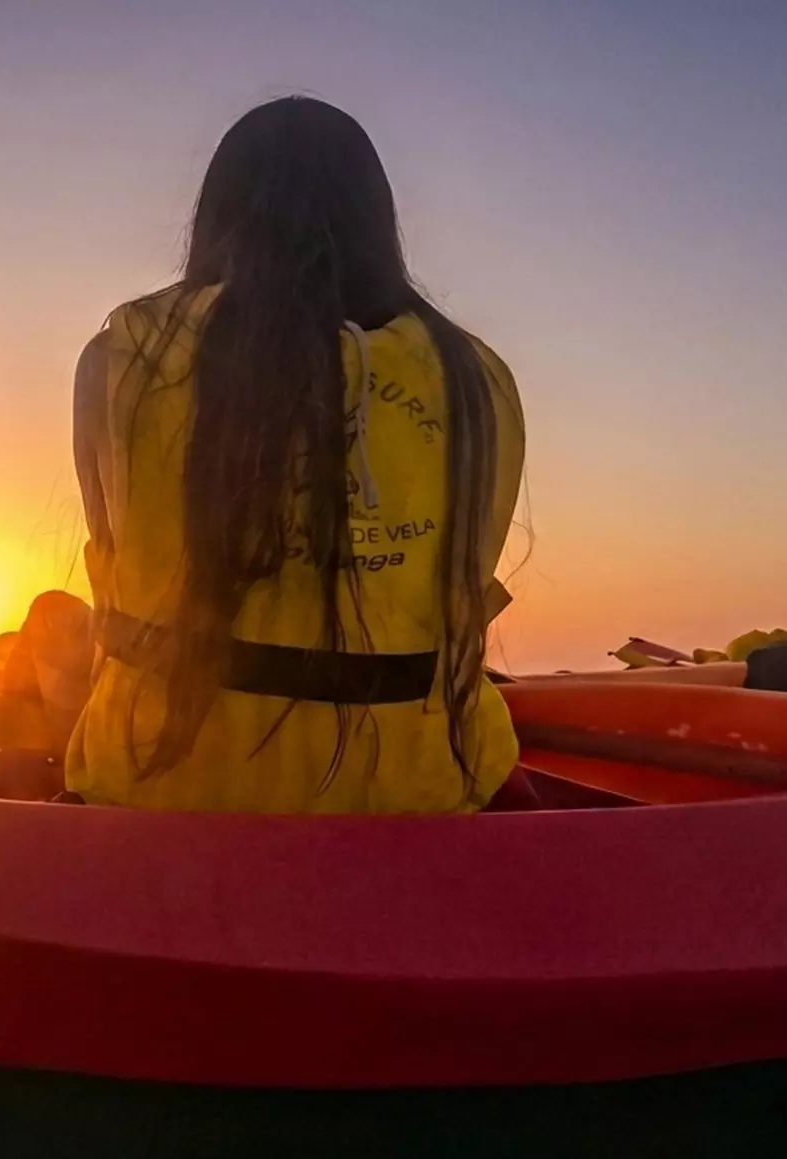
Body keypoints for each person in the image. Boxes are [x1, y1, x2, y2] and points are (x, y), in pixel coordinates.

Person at [53, 96, 527, 814]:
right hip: (420, 790)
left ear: (216, 216)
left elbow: (111, 563)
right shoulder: (477, 381)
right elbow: (461, 594)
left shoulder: (122, 358)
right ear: (377, 223)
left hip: (158, 782)